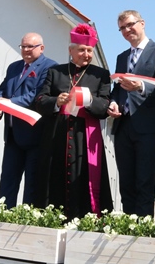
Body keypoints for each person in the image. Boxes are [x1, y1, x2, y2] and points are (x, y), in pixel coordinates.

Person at [34, 24, 113, 220]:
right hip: (57, 137)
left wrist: (89, 100)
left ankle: (86, 220)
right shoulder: (55, 72)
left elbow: (105, 106)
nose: (86, 54)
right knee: (54, 179)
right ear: (71, 51)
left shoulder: (101, 75)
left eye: (89, 51)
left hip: (84, 137)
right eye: (82, 50)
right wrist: (56, 101)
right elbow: (40, 100)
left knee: (84, 180)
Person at [107, 10, 155, 217]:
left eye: (130, 25)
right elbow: (118, 89)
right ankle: (128, 225)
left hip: (149, 125)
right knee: (126, 181)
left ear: (142, 23)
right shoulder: (122, 57)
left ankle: (143, 228)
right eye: (122, 28)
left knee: (144, 180)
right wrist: (113, 102)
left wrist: (141, 86)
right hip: (123, 125)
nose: (127, 30)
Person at [0, 32, 57, 208]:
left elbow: (36, 96)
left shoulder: (50, 67)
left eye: (30, 47)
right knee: (8, 180)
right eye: (23, 46)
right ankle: (3, 213)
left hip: (34, 134)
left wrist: (9, 103)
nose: (26, 50)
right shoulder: (14, 67)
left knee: (32, 183)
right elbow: (2, 90)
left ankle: (26, 217)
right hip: (12, 133)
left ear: (41, 48)